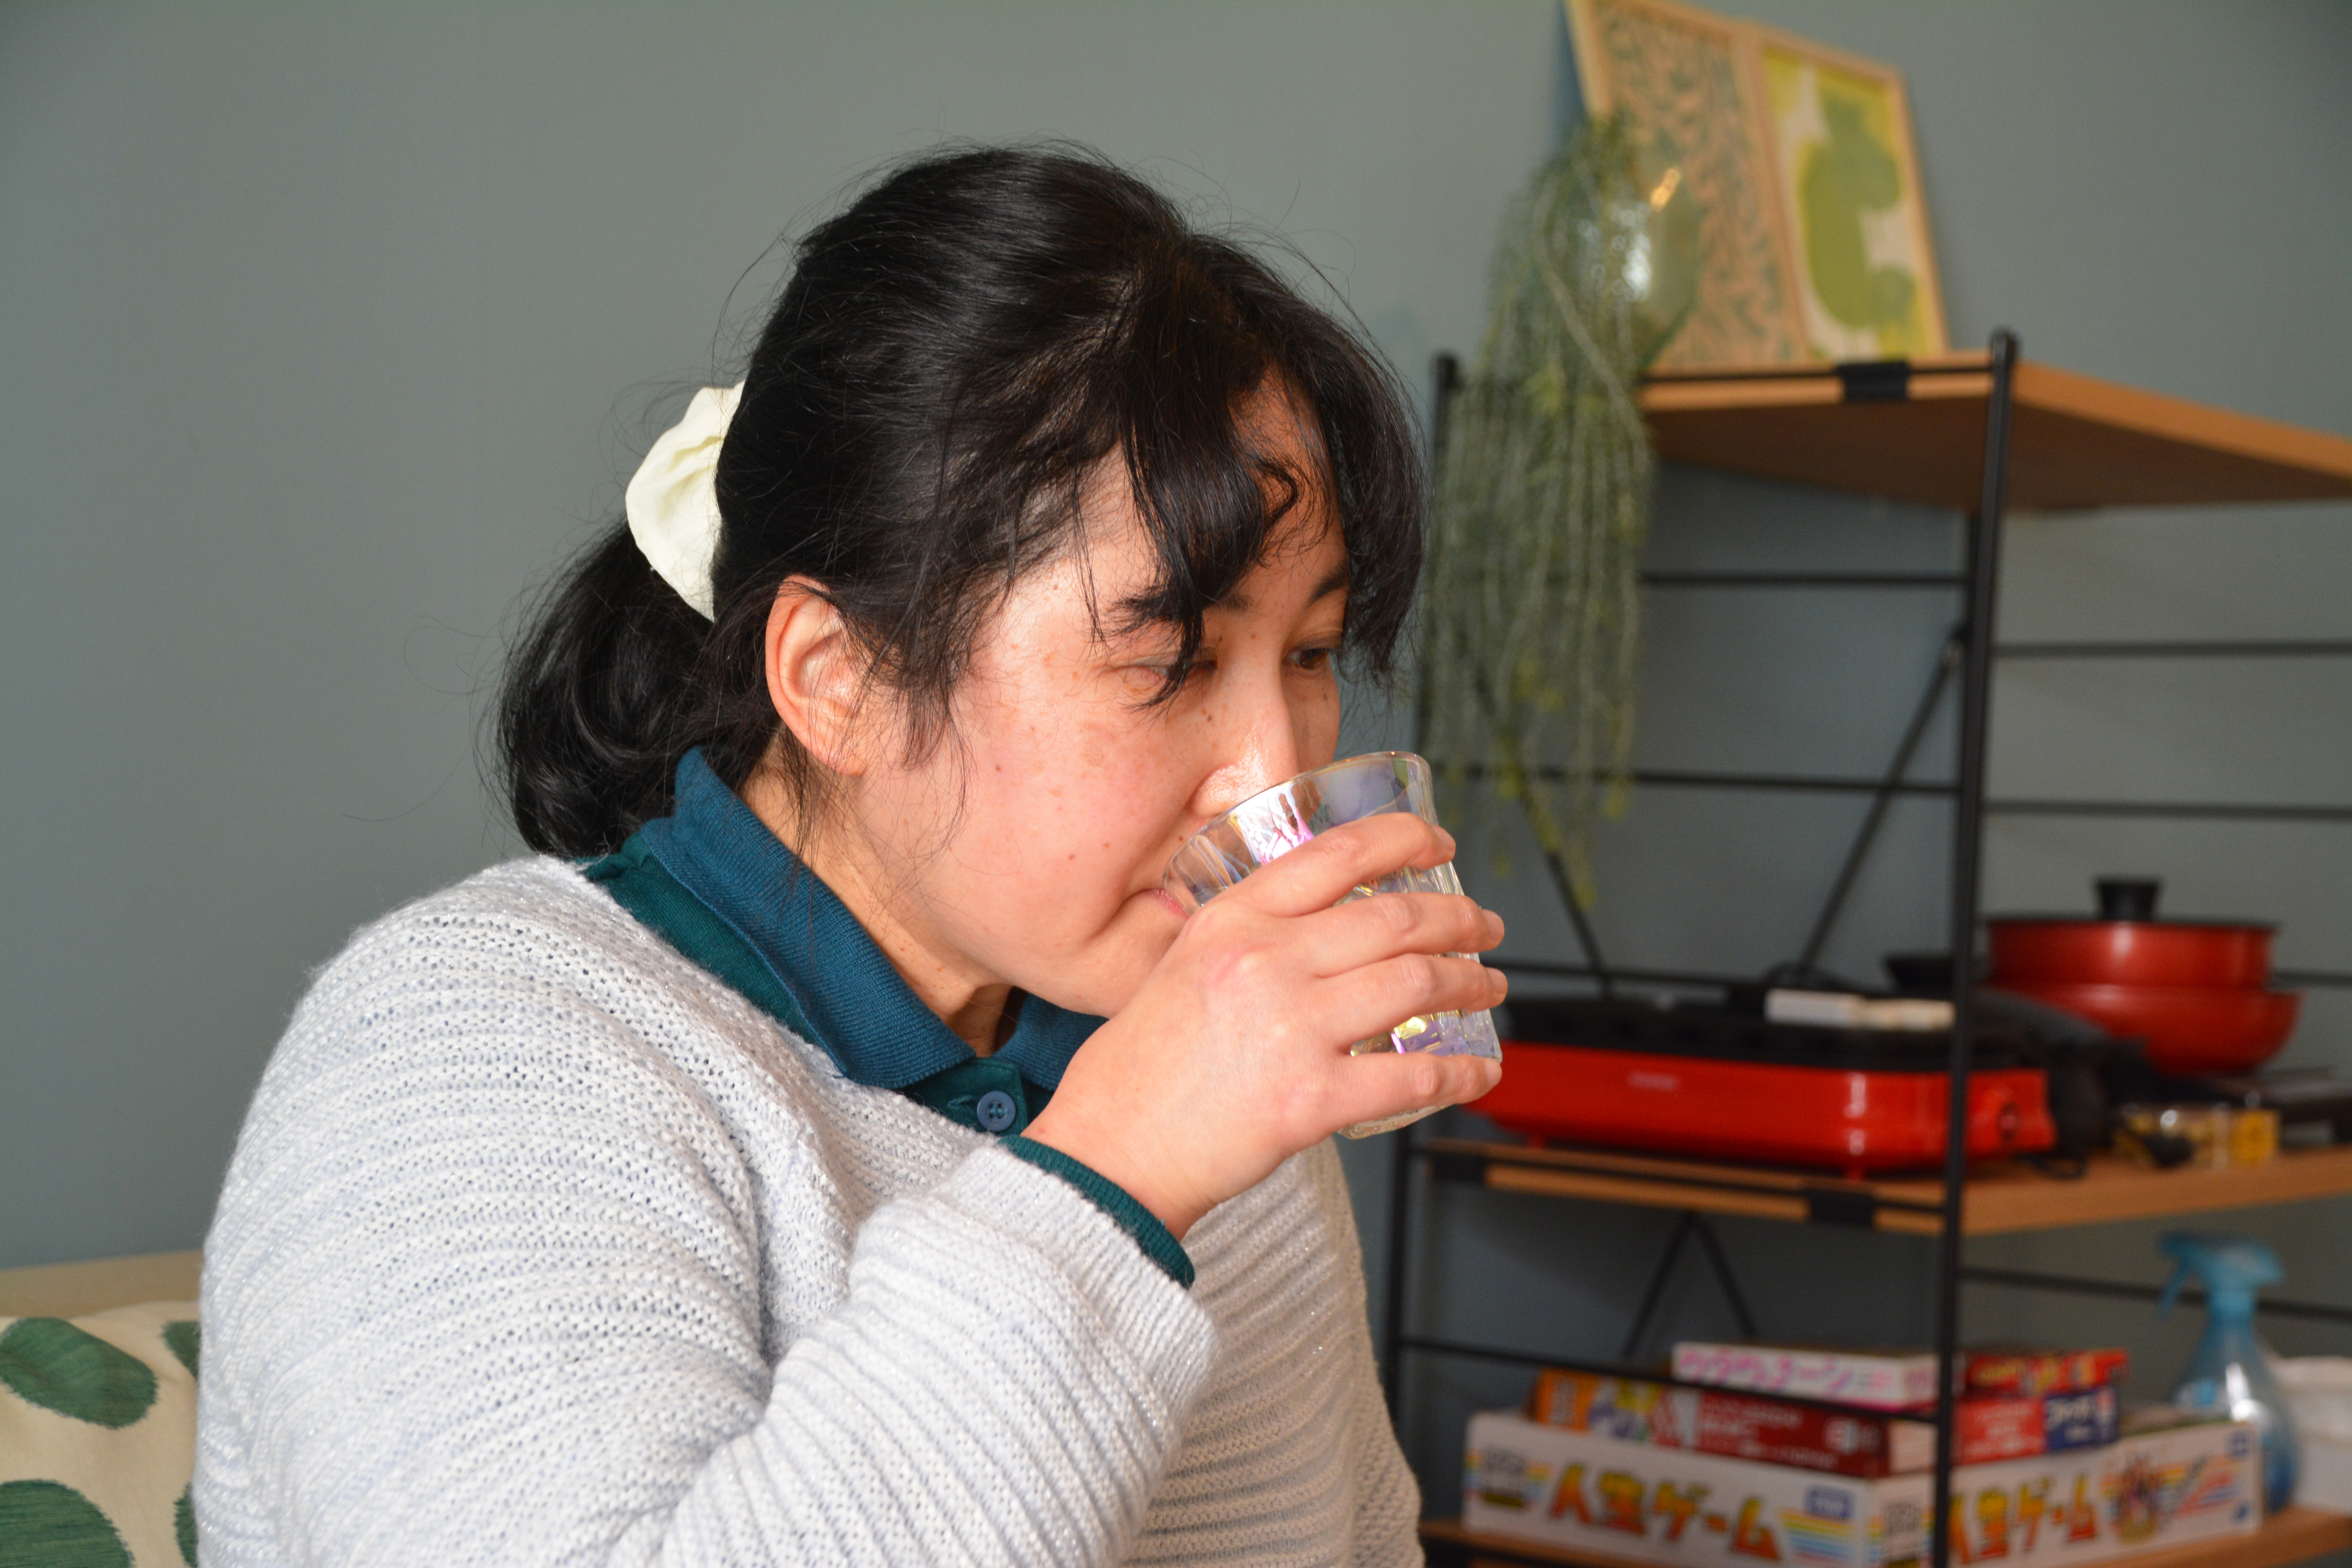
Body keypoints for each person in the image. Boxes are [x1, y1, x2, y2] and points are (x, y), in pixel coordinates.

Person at [195, 144, 1506, 1567]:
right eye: (1173, 658)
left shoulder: (1196, 1059)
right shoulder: (466, 1052)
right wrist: (1119, 1173)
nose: (1273, 772)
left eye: (1310, 652)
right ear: (843, 683)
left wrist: (1163, 1132)